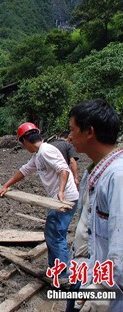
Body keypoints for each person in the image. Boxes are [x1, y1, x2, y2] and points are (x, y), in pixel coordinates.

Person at [0, 122, 79, 283]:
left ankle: (63, 276)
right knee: (52, 234)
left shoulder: (46, 151)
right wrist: (7, 185)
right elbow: (24, 170)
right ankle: (54, 269)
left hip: (64, 200)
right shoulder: (38, 155)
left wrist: (61, 192)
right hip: (56, 200)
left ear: (25, 141)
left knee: (56, 235)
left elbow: (64, 170)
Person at [68, 99, 122, 311]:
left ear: (89, 132)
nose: (70, 137)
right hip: (87, 274)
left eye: (73, 130)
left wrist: (100, 293)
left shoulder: (118, 177)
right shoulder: (95, 172)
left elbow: (121, 248)